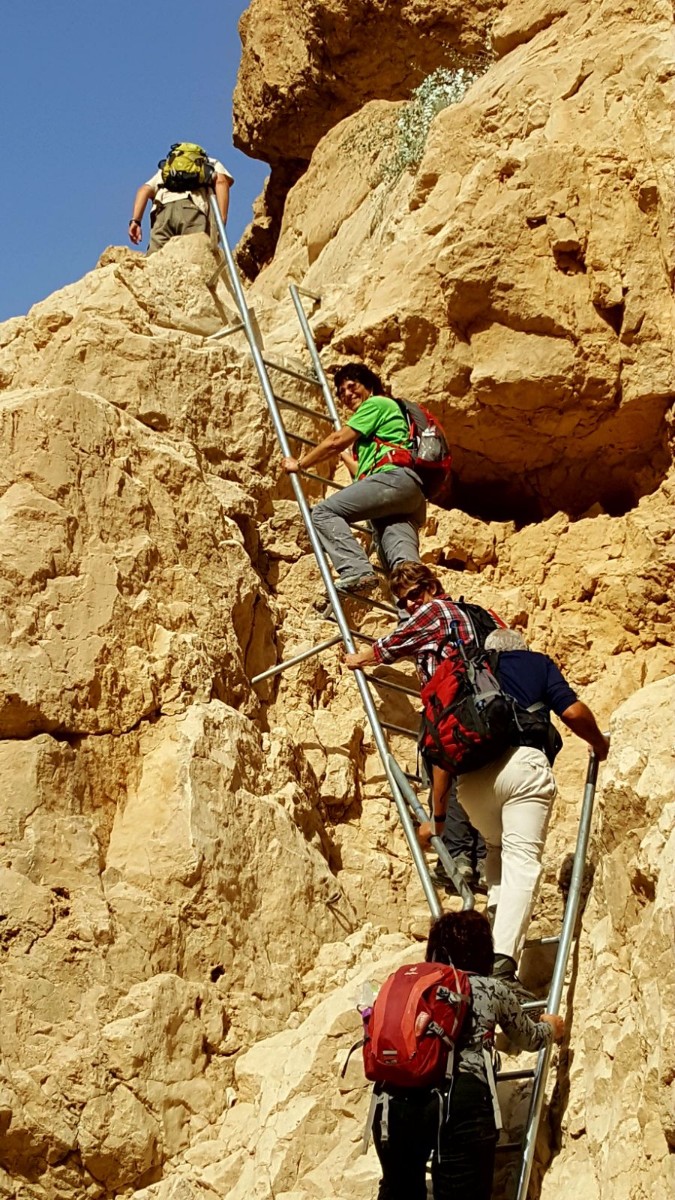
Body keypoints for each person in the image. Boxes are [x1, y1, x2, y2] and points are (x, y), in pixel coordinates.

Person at [423, 627, 609, 993]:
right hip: (522, 768)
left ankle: (486, 945)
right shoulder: (534, 663)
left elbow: (442, 757)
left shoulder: (464, 676)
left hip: (472, 786)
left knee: (498, 850)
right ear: (519, 648)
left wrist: (438, 818)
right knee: (523, 859)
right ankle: (502, 963)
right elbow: (570, 711)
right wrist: (598, 742)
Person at [371, 909, 564, 1200]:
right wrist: (551, 1028)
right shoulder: (491, 989)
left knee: (398, 1191)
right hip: (461, 1103)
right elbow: (529, 1038)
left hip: (393, 1101)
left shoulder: (412, 987)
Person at [343, 560, 490, 885]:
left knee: (449, 778)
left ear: (432, 587)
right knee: (478, 782)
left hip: (452, 705)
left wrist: (359, 658)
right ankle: (483, 862)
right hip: (486, 707)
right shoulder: (471, 612)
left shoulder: (433, 611)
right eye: (403, 601)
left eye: (413, 594)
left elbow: (396, 641)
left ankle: (457, 859)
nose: (410, 604)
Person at [281, 364, 426, 600]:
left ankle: (355, 570)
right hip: (405, 493)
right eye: (341, 392)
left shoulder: (376, 403)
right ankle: (421, 615)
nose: (347, 394)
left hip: (392, 481)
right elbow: (364, 472)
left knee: (323, 514)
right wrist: (346, 456)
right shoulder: (385, 422)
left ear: (368, 386)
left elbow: (336, 440)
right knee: (401, 565)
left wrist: (300, 464)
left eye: (352, 386)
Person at [128, 144, 233, 254]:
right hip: (191, 209)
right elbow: (221, 182)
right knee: (193, 256)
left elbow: (144, 190)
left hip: (162, 213)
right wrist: (221, 219)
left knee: (156, 258)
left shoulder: (168, 168)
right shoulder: (209, 163)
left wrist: (136, 221)